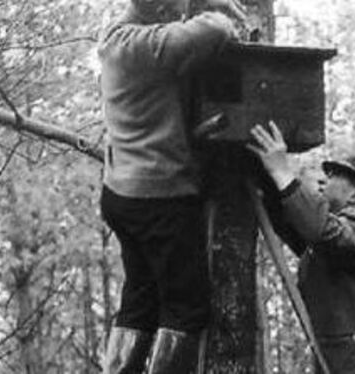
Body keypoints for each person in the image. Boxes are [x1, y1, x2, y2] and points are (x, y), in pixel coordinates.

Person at [97, 1, 245, 373]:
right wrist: (218, 9)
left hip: (123, 192)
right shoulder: (139, 44)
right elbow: (214, 29)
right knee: (186, 308)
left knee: (140, 302)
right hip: (158, 196)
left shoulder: (123, 40)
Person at [247, 122, 355, 373]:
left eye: (335, 176)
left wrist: (283, 171)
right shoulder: (327, 242)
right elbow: (292, 219)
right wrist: (267, 176)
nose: (325, 180)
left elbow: (322, 231)